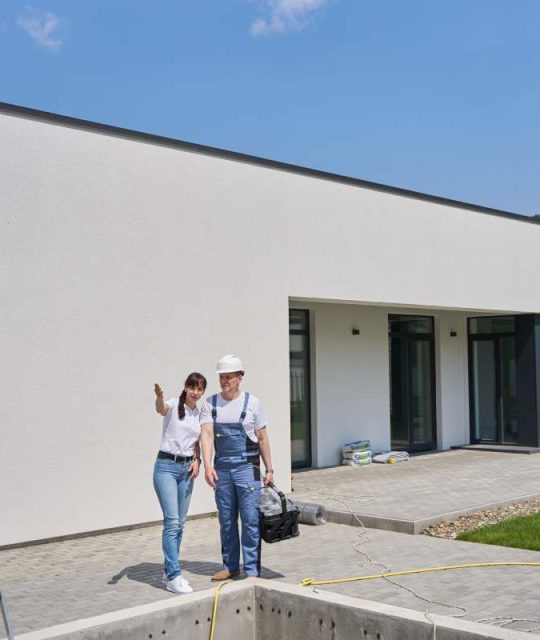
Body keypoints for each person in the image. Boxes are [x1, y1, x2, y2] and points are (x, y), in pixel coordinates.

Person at [200, 354, 274, 580]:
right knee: (226, 519)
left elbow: (262, 438)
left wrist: (270, 469)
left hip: (247, 467)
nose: (224, 381)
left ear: (240, 377)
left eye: (229, 377)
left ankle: (251, 570)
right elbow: (206, 435)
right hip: (222, 467)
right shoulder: (210, 404)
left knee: (251, 520)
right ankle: (230, 566)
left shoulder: (253, 403)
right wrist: (207, 466)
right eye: (221, 377)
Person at [153, 372, 207, 594]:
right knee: (172, 522)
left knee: (180, 524)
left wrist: (198, 459)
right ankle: (174, 576)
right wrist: (159, 396)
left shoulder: (199, 413)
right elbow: (160, 409)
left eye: (200, 389)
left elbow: (196, 441)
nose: (195, 392)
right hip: (166, 467)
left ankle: (168, 568)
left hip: (187, 470)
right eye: (192, 387)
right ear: (185, 387)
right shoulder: (175, 405)